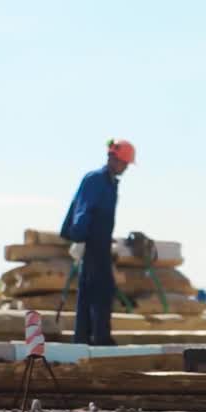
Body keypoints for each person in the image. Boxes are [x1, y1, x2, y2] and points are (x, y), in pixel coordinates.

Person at [60, 139, 135, 345]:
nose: (126, 168)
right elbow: (83, 210)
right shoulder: (96, 180)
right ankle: (99, 338)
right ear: (113, 158)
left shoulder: (110, 183)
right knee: (101, 290)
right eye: (124, 163)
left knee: (91, 292)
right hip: (91, 244)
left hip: (100, 244)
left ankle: (84, 339)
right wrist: (80, 237)